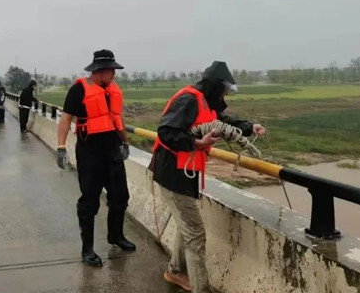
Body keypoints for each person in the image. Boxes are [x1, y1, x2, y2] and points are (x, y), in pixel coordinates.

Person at [150, 61, 266, 292]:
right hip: (172, 173)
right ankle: (200, 288)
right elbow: (166, 132)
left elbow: (222, 121)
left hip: (185, 173)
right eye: (224, 89)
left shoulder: (206, 102)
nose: (225, 94)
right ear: (215, 86)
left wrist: (249, 127)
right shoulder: (189, 99)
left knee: (187, 226)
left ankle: (175, 271)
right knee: (195, 233)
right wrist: (196, 142)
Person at [56, 49, 136, 267]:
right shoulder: (79, 90)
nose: (114, 74)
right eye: (112, 70)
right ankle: (88, 249)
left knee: (120, 197)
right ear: (100, 70)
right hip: (90, 153)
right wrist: (61, 147)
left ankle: (116, 236)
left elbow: (117, 118)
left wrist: (125, 142)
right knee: (89, 202)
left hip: (113, 151)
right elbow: (65, 120)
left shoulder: (112, 90)